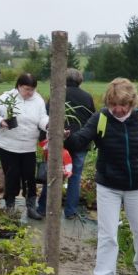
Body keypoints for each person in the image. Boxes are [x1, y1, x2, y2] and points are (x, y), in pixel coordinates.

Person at [66, 78, 138, 275]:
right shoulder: (101, 119)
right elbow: (80, 141)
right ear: (108, 101)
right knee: (108, 233)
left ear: (131, 102)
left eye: (123, 104)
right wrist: (66, 137)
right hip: (109, 186)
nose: (118, 109)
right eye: (114, 104)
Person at [0, 73, 49, 220]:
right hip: (7, 145)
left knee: (29, 176)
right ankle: (10, 206)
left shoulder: (38, 100)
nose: (30, 93)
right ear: (19, 86)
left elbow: (42, 118)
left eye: (32, 89)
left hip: (28, 145)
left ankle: (31, 207)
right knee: (12, 175)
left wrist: (48, 124)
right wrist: (2, 122)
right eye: (27, 89)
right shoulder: (7, 97)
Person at [37, 68, 96, 219]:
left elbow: (47, 118)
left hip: (58, 142)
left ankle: (43, 208)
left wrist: (43, 139)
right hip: (80, 143)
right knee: (75, 177)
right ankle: (70, 212)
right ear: (80, 80)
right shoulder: (87, 97)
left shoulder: (57, 95)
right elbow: (92, 121)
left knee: (52, 175)